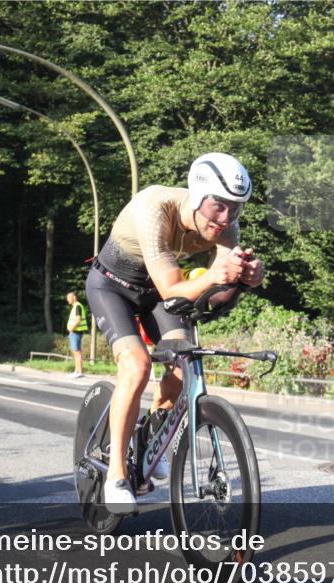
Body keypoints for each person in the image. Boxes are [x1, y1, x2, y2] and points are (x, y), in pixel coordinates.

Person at [86, 152, 265, 512]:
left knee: (184, 366)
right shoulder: (155, 207)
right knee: (136, 367)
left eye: (236, 208)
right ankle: (117, 475)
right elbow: (172, 288)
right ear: (199, 195)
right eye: (219, 206)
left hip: (156, 294)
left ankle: (151, 434)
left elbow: (216, 298)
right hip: (112, 287)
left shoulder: (227, 228)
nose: (226, 217)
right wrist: (215, 274)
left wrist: (244, 281)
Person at [66, 291, 89, 378]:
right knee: (75, 352)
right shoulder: (76, 306)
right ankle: (76, 371)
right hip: (75, 332)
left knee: (77, 352)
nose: (67, 300)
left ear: (74, 297)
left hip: (76, 332)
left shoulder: (77, 306)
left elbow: (78, 320)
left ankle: (79, 371)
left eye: (69, 297)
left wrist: (71, 328)